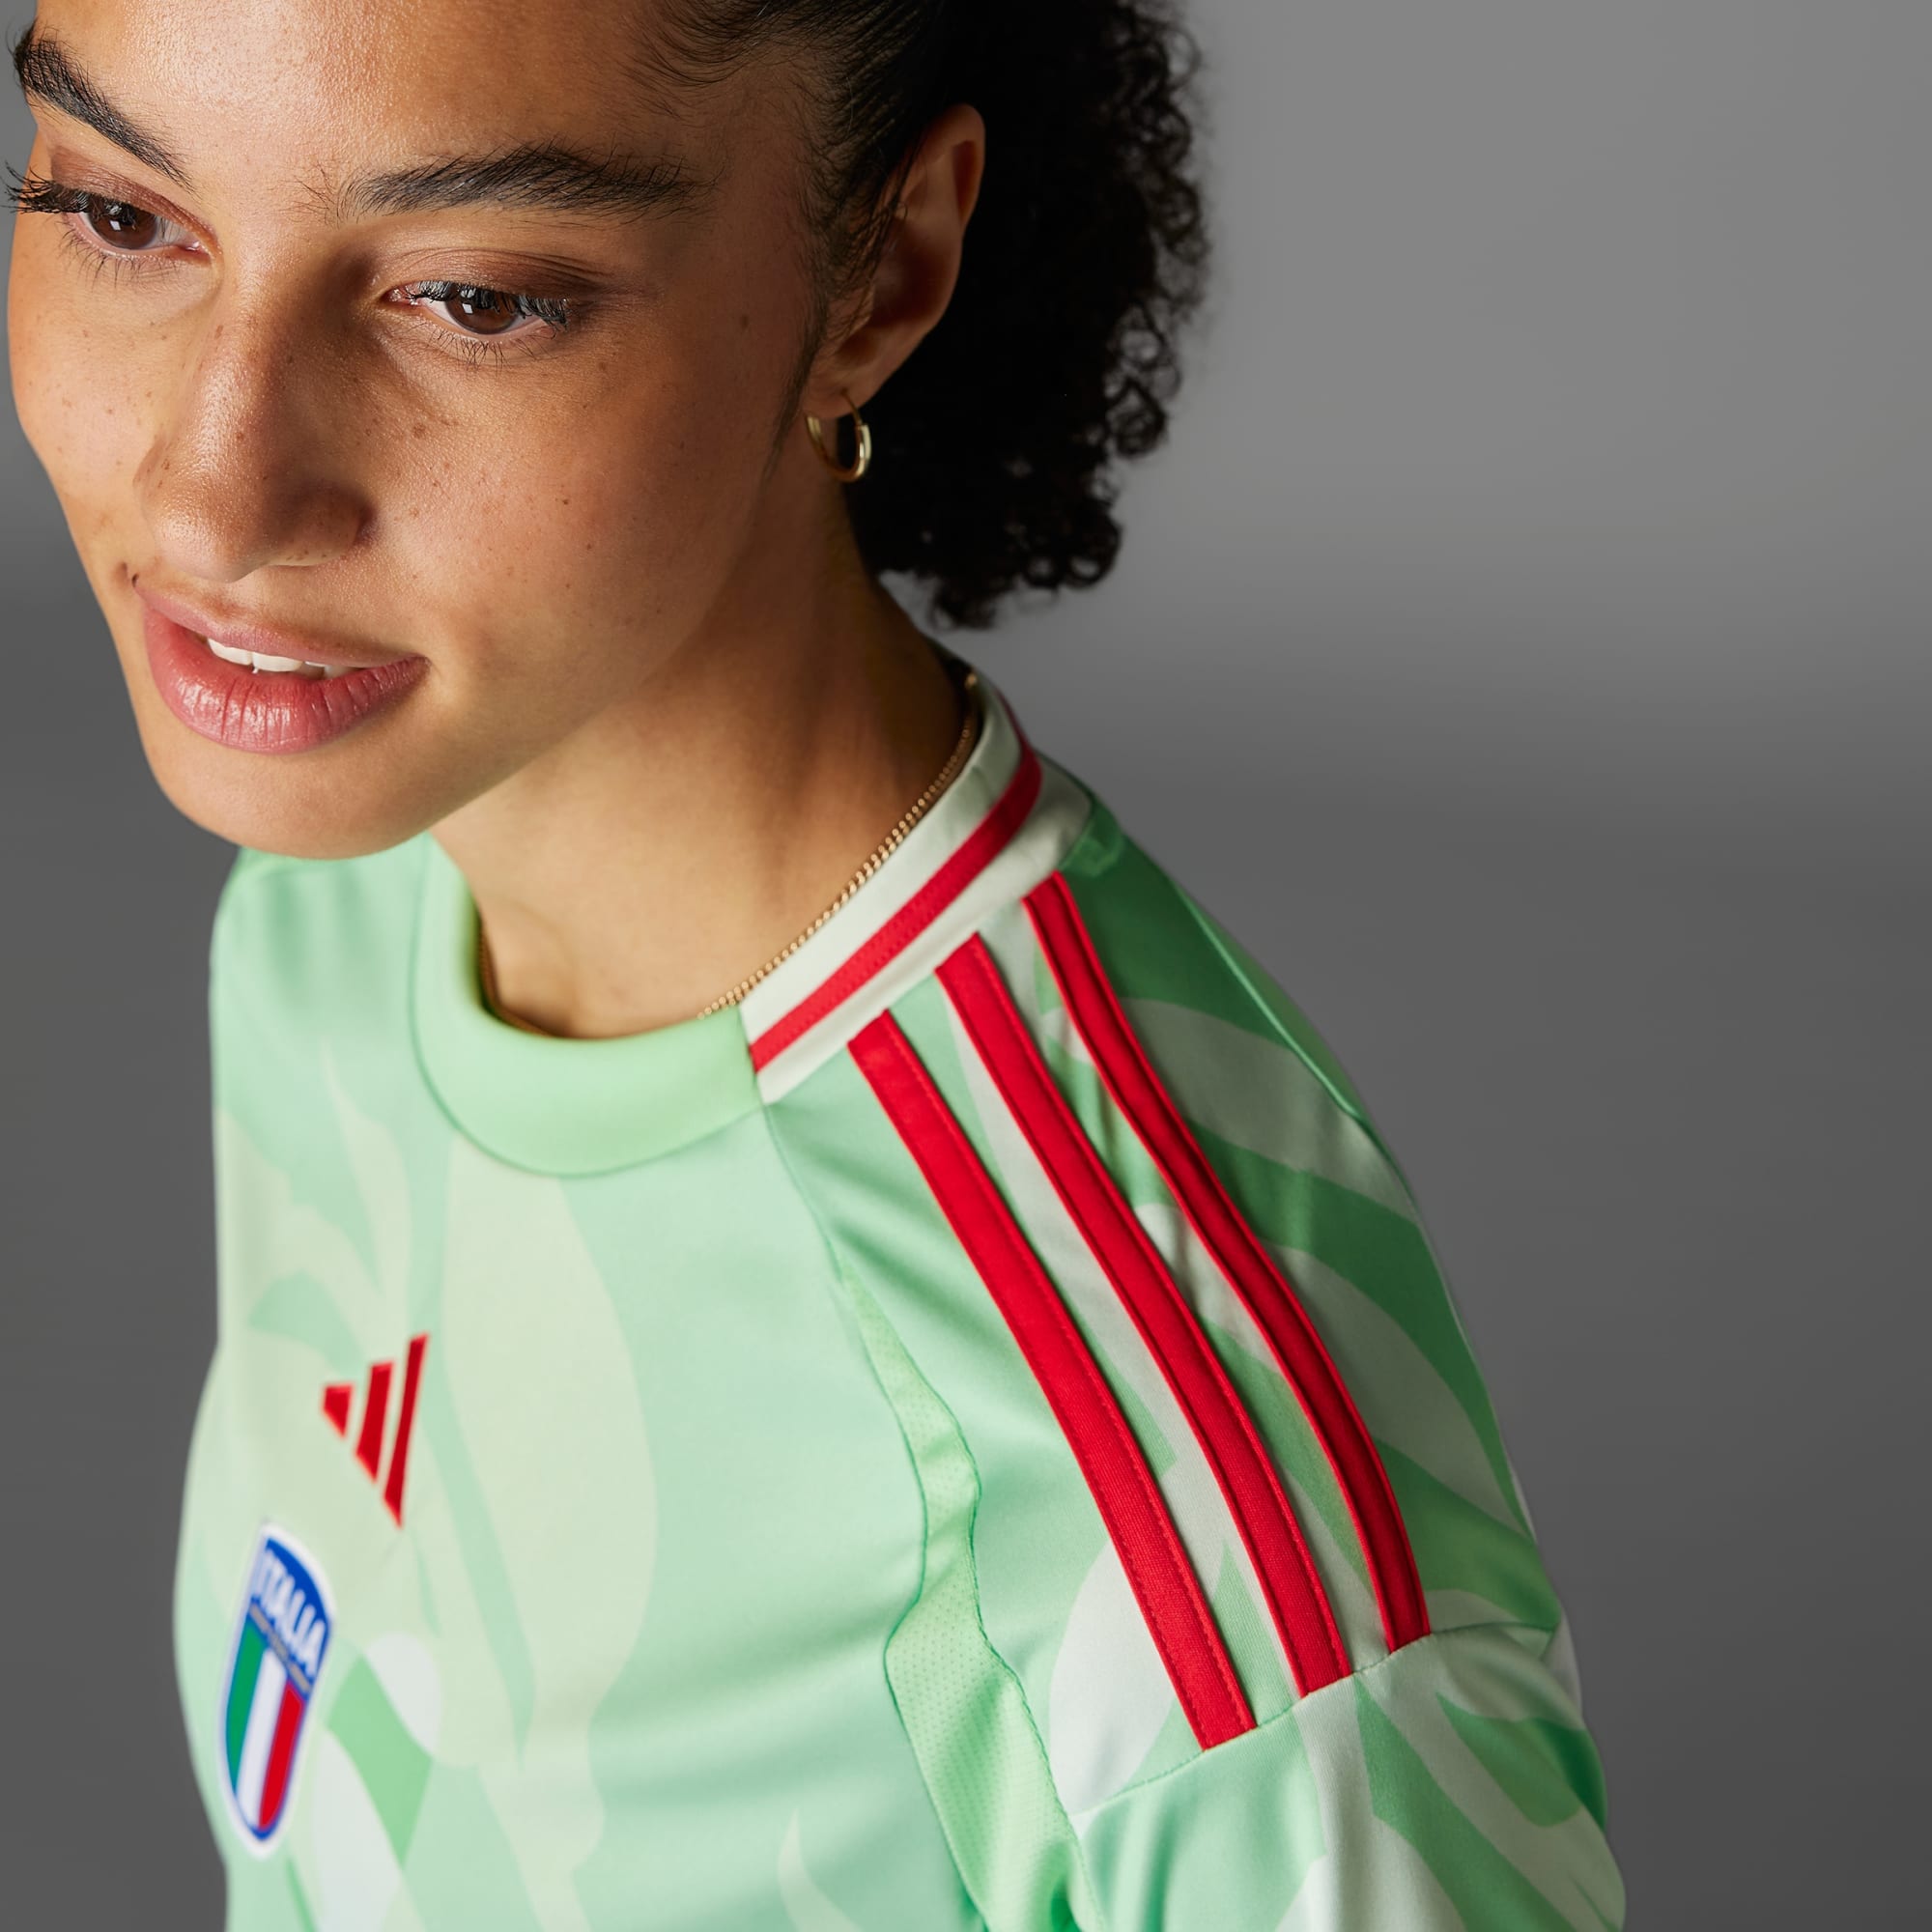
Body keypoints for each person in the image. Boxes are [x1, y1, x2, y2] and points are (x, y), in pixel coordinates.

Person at [6, 0, 1625, 1924]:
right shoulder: (355, 890)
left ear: (882, 270)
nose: (213, 496)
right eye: (121, 217)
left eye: (474, 298)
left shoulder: (1186, 1566)